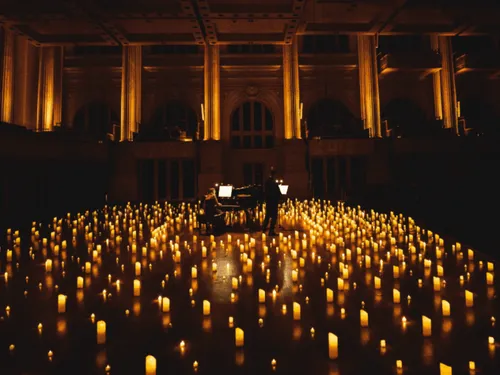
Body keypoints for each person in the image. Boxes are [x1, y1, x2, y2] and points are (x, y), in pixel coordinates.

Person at [262, 168, 282, 236]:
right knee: (273, 217)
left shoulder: (267, 182)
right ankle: (271, 231)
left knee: (267, 216)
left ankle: (263, 229)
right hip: (273, 202)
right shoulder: (273, 183)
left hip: (269, 201)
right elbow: (277, 192)